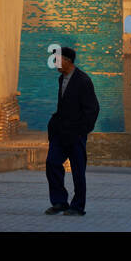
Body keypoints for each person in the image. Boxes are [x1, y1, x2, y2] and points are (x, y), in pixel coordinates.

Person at [45, 45, 99, 216]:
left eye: (58, 60)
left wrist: (81, 131)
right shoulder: (62, 79)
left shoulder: (83, 81)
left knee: (77, 171)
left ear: (67, 61)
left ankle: (78, 206)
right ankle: (60, 201)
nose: (55, 63)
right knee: (52, 163)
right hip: (61, 133)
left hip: (75, 134)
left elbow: (93, 109)